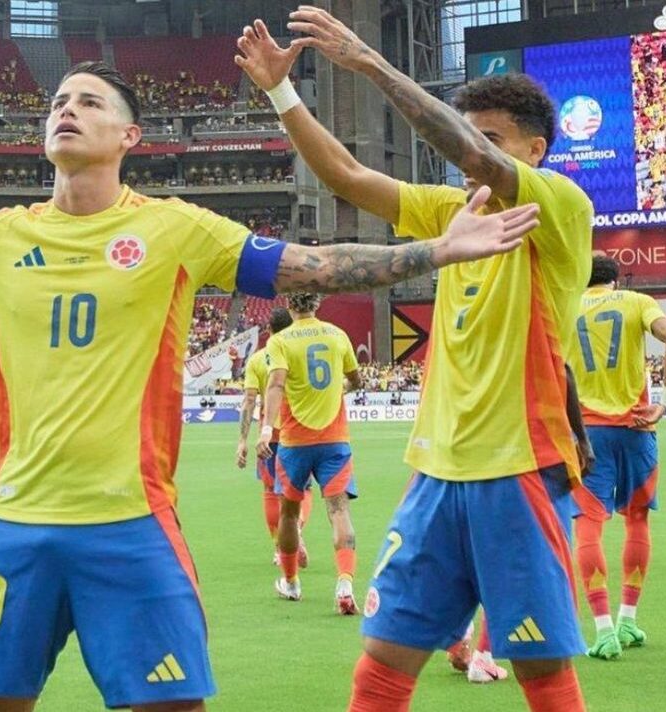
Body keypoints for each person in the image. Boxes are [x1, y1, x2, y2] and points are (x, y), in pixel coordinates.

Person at [0, 60, 538, 712]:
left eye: (92, 101)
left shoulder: (173, 227)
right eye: (60, 99)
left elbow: (307, 264)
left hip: (130, 525)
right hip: (12, 527)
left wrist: (437, 250)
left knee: (172, 701)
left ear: (131, 138)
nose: (68, 107)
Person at [234, 11, 590, 710]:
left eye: (490, 139)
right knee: (381, 667)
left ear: (537, 151)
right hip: (435, 476)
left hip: (517, 469)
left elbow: (480, 162)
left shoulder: (559, 211)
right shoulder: (450, 214)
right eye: (469, 135)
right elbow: (347, 174)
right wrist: (283, 95)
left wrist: (370, 64)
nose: (468, 158)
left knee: (543, 676)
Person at [569, 254, 666, 660]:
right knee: (637, 519)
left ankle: (603, 631)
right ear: (616, 280)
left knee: (588, 528)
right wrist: (664, 403)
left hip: (587, 435)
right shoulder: (636, 302)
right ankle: (628, 618)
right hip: (637, 428)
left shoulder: (567, 308)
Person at [256, 292, 363, 609]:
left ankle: (290, 583)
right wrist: (340, 389)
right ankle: (344, 585)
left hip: (294, 442)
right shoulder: (337, 334)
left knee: (289, 513)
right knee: (340, 511)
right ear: (318, 303)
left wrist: (265, 429)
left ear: (290, 306)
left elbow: (275, 383)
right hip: (335, 440)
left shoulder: (281, 340)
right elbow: (355, 380)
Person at [237, 306, 315, 567]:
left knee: (271, 491)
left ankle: (280, 547)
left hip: (268, 436)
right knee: (302, 490)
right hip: (299, 431)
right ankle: (297, 530)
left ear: (268, 330)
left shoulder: (258, 360)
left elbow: (249, 401)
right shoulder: (300, 351)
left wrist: (242, 441)